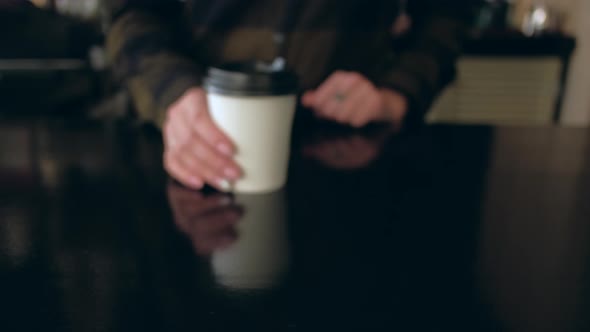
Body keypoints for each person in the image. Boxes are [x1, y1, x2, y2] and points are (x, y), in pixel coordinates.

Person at [107, 0, 475, 191]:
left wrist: (398, 91)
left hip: (351, 148)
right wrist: (172, 92)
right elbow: (132, 12)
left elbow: (447, 12)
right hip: (190, 141)